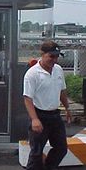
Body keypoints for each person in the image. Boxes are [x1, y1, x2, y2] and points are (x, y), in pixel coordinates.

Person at [23, 40, 72, 170]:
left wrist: (67, 108)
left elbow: (62, 91)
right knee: (36, 153)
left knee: (61, 148)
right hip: (40, 115)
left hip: (55, 115)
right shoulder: (32, 74)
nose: (54, 60)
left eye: (56, 56)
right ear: (43, 54)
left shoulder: (58, 70)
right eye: (51, 56)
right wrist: (34, 119)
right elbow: (27, 98)